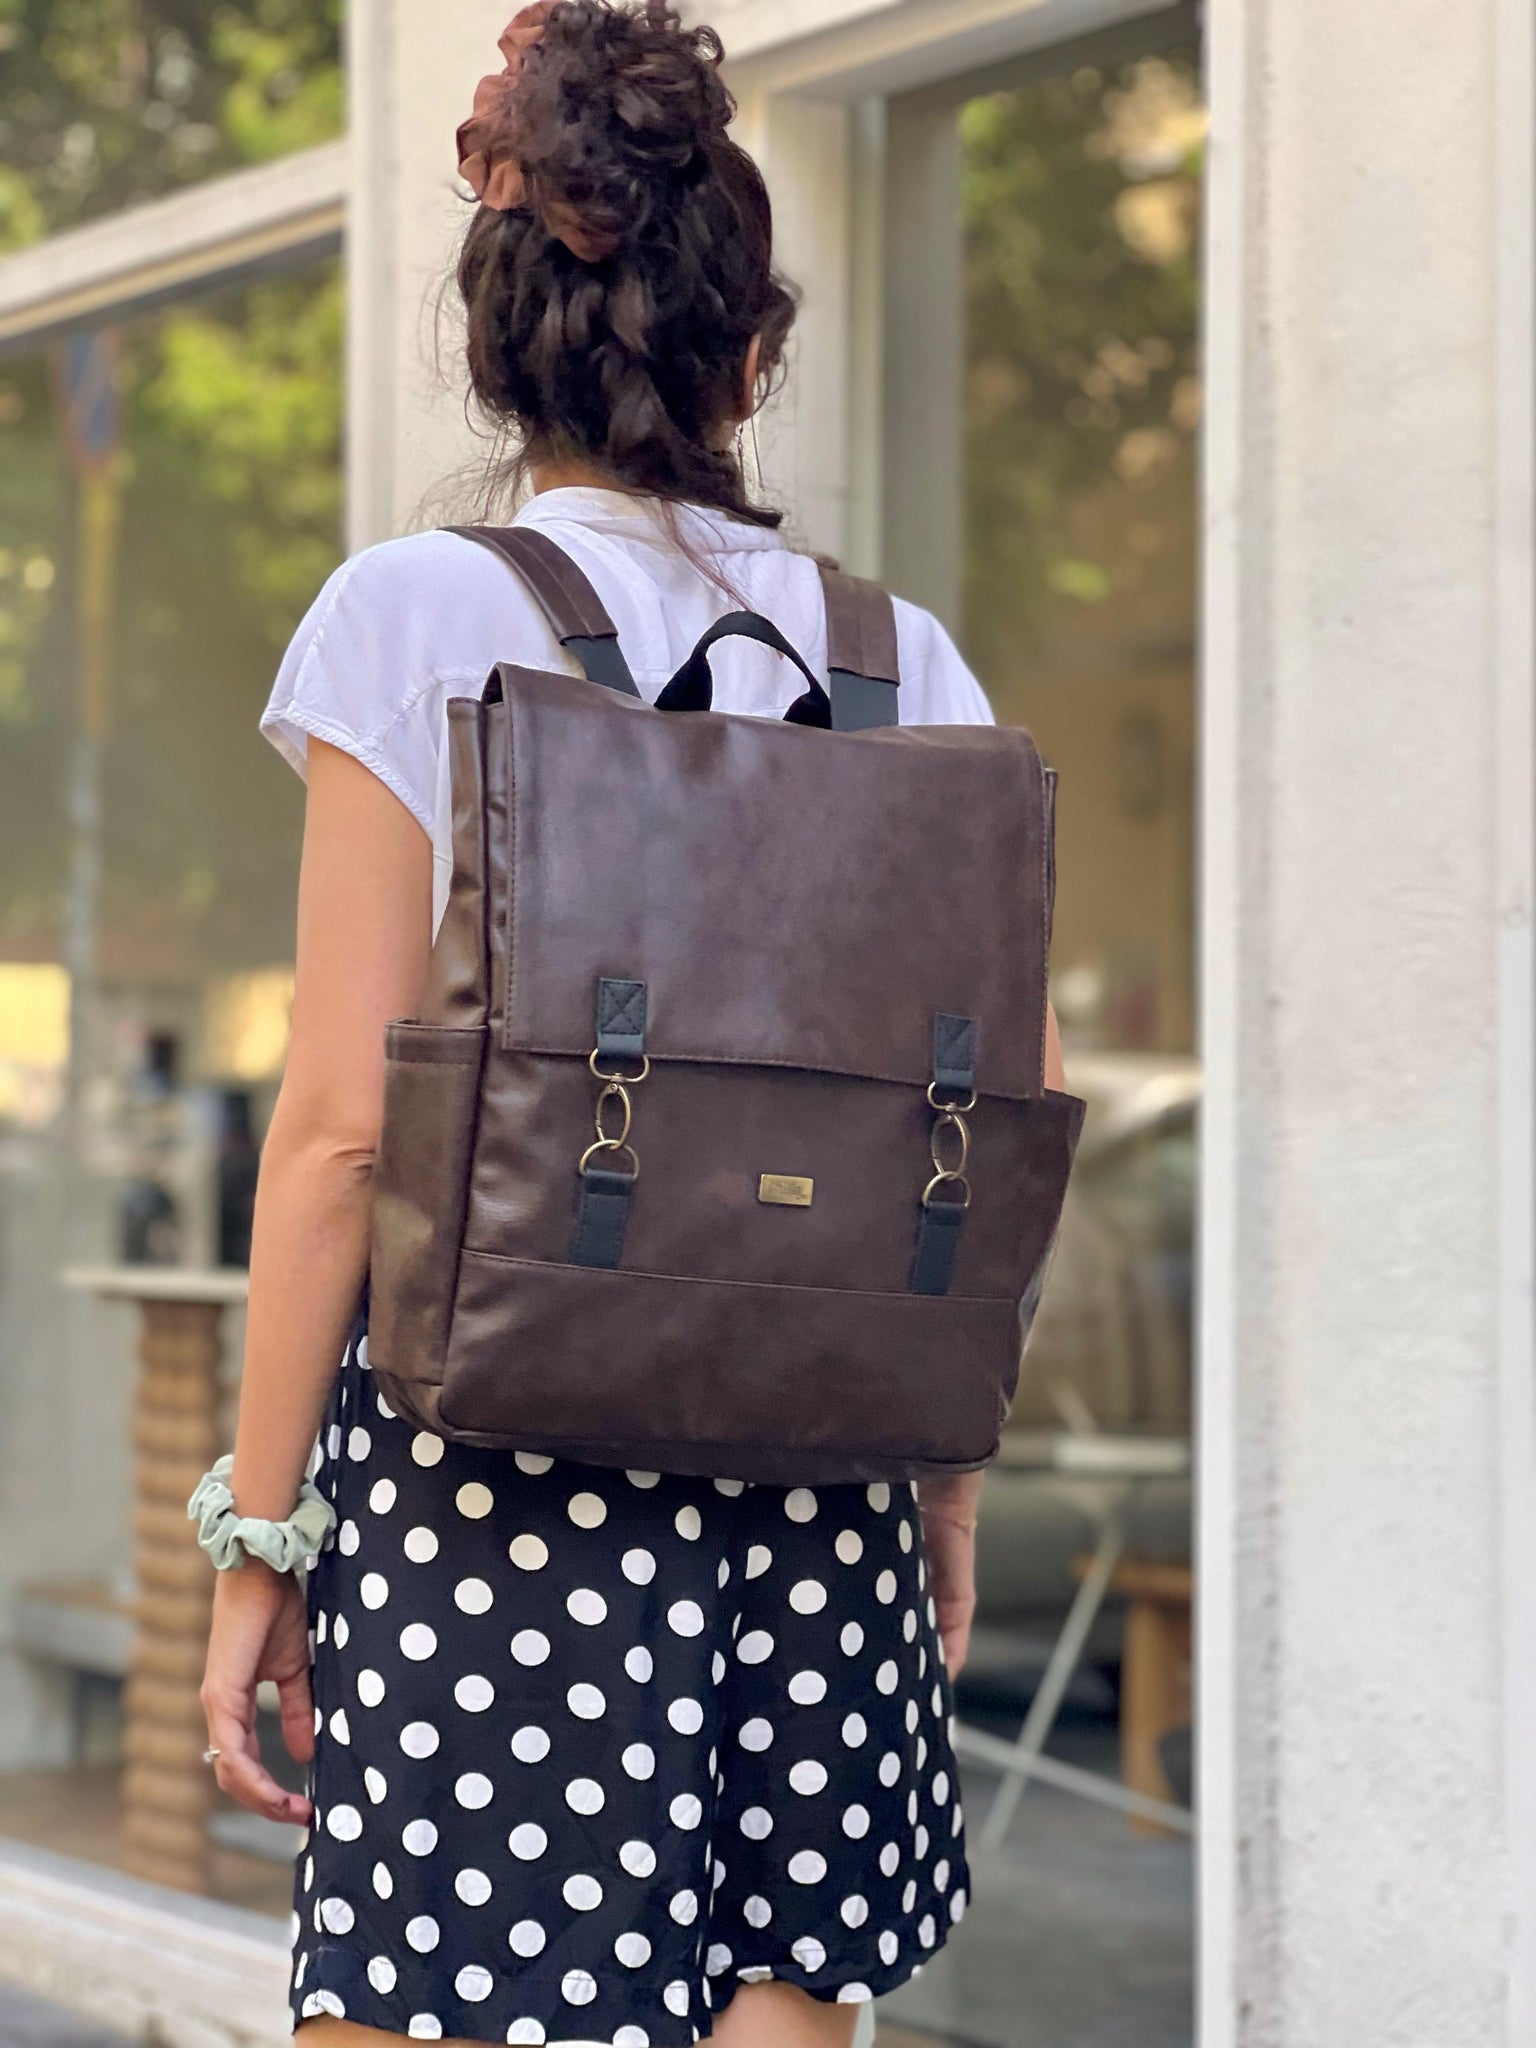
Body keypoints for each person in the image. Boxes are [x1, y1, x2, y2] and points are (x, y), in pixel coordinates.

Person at [197, 4, 1068, 2044]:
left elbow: (342, 1129)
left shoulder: (416, 617)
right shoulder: (906, 662)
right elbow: (996, 1114)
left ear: (498, 345)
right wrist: (940, 1483)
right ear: (749, 355)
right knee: (779, 1998)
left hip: (491, 1483)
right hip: (824, 1482)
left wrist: (262, 1534)